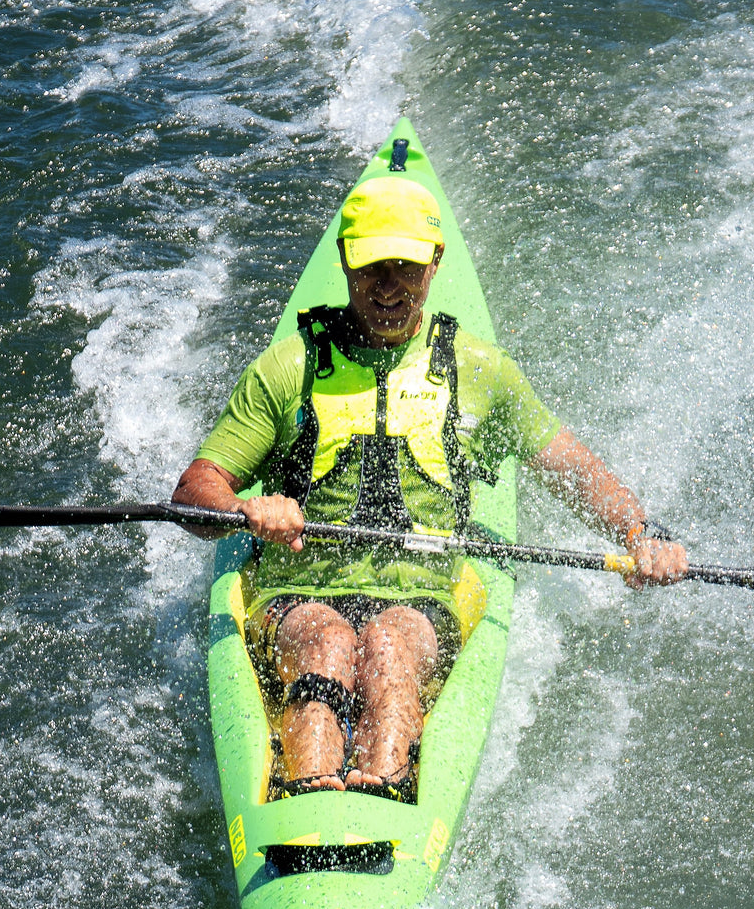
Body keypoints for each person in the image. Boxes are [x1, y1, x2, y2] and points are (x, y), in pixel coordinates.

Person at [174, 175, 687, 798]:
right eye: (371, 269)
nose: (389, 287)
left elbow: (574, 468)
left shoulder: (478, 372)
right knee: (329, 644)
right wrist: (244, 508)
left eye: (406, 267)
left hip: (420, 598)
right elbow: (196, 491)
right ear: (343, 261)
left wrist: (640, 533)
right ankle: (308, 803)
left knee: (388, 645)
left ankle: (382, 793)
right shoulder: (289, 369)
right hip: (298, 590)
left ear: (435, 262)